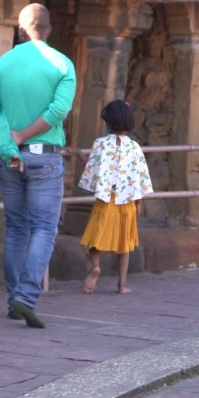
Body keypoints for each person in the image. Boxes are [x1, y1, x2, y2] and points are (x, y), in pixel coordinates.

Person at [0, 3, 76, 329]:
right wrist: (23, 135)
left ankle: (14, 300)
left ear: (21, 31)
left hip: (10, 158)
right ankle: (26, 296)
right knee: (43, 230)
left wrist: (10, 146)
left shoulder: (1, 65)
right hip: (45, 156)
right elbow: (59, 110)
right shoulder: (62, 64)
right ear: (48, 30)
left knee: (17, 229)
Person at [77, 100, 153, 295]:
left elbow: (92, 170)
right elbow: (140, 176)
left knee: (96, 240)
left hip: (105, 201)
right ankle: (122, 284)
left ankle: (95, 265)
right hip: (127, 202)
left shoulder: (100, 144)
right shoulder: (135, 147)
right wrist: (139, 201)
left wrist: (78, 155)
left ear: (107, 122)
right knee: (124, 245)